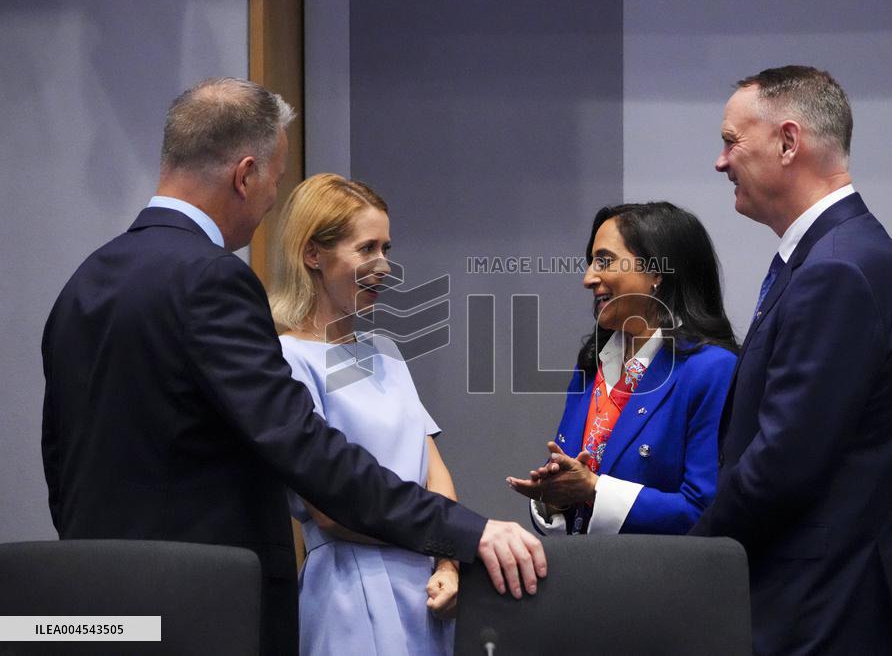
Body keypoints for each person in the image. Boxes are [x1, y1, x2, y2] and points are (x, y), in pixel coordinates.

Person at [40, 77, 545, 655]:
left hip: (96, 603)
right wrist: (467, 533)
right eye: (275, 183)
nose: (270, 204)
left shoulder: (83, 282)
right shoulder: (212, 278)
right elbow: (304, 449)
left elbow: (61, 455)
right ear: (245, 174)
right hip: (206, 604)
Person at [689, 66, 892, 655]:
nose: (720, 162)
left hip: (831, 610)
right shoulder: (842, 254)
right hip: (831, 596)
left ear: (787, 142)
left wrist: (692, 554)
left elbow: (784, 463)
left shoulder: (835, 269)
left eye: (732, 142)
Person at [269, 173, 460, 655]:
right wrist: (437, 539)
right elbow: (329, 509)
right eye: (367, 248)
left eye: (387, 248)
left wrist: (449, 563)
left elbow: (433, 468)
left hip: (428, 590)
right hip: (350, 591)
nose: (384, 266)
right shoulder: (289, 358)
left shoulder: (386, 351)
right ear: (313, 254)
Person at [508, 202, 737, 536]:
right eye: (590, 261)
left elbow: (705, 511)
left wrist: (595, 491)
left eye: (605, 261)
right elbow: (574, 495)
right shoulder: (591, 366)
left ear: (657, 272)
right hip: (584, 578)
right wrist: (553, 499)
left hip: (663, 583)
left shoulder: (710, 370)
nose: (588, 278)